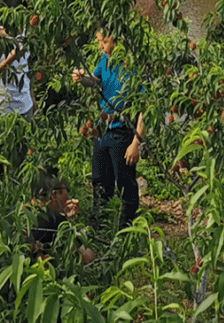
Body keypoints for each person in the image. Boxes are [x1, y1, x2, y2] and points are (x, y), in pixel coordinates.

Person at [72, 29, 144, 229]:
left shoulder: (132, 66)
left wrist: (136, 142)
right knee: (100, 180)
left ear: (117, 39)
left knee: (125, 183)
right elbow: (96, 82)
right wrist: (81, 78)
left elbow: (145, 107)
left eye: (103, 41)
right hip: (103, 130)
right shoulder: (105, 60)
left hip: (123, 132)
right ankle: (98, 225)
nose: (100, 46)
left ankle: (126, 228)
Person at [31, 169, 96, 265]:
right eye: (67, 191)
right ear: (56, 194)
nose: (69, 196)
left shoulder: (20, 212)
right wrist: (68, 222)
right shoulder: (57, 220)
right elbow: (88, 257)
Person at [0, 0, 35, 119]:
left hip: (26, 105)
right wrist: (11, 58)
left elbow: (24, 70)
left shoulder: (25, 36)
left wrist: (32, 98)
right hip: (4, 109)